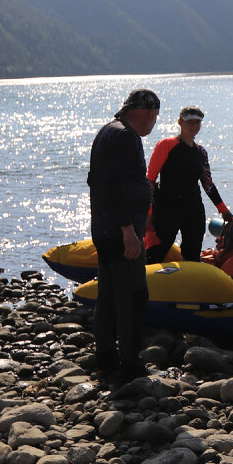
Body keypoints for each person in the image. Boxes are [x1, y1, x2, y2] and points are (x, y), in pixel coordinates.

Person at [87, 88, 160, 377]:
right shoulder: (126, 137)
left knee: (108, 294)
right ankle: (130, 362)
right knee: (132, 295)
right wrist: (129, 231)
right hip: (120, 233)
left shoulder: (107, 131)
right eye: (153, 117)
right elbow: (117, 186)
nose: (153, 124)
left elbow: (98, 181)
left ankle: (105, 355)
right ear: (142, 113)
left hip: (105, 229)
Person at [145, 105, 233, 263]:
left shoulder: (201, 153)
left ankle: (189, 283)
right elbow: (149, 181)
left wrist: (224, 210)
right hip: (166, 209)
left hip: (193, 209)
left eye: (197, 122)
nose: (194, 126)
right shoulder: (166, 145)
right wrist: (149, 213)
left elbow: (208, 185)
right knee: (155, 253)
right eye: (190, 122)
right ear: (180, 122)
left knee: (192, 255)